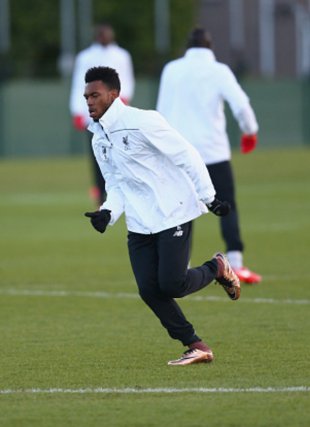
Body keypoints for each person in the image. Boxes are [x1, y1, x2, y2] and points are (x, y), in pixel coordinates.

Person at [82, 66, 241, 366]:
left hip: (173, 211)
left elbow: (187, 154)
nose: (89, 102)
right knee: (148, 289)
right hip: (141, 222)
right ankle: (196, 345)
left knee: (172, 285)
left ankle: (218, 267)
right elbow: (115, 184)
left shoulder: (144, 121)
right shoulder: (98, 139)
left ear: (113, 96)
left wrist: (209, 198)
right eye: (86, 96)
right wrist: (108, 212)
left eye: (95, 95)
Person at [156, 27, 261, 284]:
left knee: (177, 209)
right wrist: (250, 131)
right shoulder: (219, 71)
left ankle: (179, 265)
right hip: (212, 151)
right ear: (210, 45)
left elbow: (160, 110)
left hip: (177, 152)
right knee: (227, 205)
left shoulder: (171, 69)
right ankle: (235, 263)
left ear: (187, 46)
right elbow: (241, 104)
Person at [69, 24, 135, 206]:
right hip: (94, 114)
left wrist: (123, 102)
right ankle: (101, 197)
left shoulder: (122, 55)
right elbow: (78, 84)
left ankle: (125, 194)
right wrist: (77, 111)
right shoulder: (86, 56)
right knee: (99, 155)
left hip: (116, 112)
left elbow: (127, 81)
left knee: (121, 153)